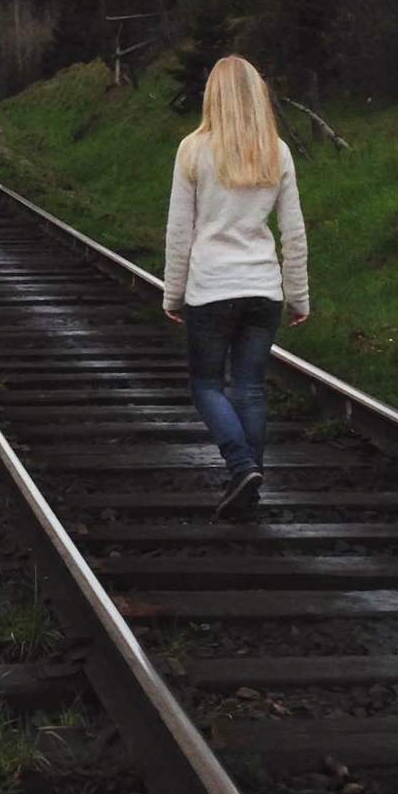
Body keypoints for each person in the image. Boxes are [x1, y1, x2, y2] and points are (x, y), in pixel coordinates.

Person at [162, 54, 310, 520]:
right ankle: (249, 485)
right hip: (262, 290)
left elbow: (179, 231)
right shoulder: (276, 151)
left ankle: (241, 465)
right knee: (250, 390)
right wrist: (298, 294)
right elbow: (294, 231)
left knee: (206, 385)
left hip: (212, 290)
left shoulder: (193, 149)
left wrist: (173, 292)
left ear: (213, 95)